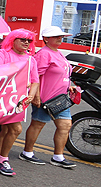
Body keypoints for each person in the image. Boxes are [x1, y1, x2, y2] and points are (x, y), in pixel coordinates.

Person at [20, 27, 79, 169]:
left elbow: (63, 73)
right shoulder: (43, 54)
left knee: (65, 126)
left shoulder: (58, 53)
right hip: (46, 98)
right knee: (38, 124)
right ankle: (27, 152)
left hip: (61, 99)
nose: (60, 38)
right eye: (56, 36)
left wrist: (69, 86)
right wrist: (36, 96)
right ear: (46, 39)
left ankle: (58, 156)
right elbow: (36, 76)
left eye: (61, 36)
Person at [0, 29, 40, 176]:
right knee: (16, 129)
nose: (26, 42)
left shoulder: (31, 59)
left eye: (29, 40)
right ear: (12, 40)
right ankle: (2, 159)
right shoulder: (3, 54)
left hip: (20, 100)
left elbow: (35, 81)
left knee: (7, 130)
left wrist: (31, 95)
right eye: (22, 39)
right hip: (3, 98)